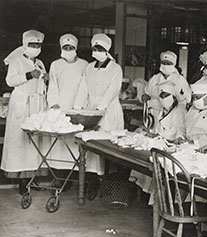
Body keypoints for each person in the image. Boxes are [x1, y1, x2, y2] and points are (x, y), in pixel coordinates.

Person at [1, 30, 48, 194]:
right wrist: (28, 75)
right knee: (20, 143)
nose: (35, 48)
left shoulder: (40, 63)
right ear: (25, 45)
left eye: (38, 45)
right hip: (21, 104)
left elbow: (41, 84)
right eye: (32, 45)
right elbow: (10, 80)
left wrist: (45, 79)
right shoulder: (16, 60)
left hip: (36, 105)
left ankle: (33, 180)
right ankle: (22, 182)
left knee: (34, 145)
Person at [74, 33, 124, 174]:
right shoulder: (89, 68)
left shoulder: (115, 68)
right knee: (92, 146)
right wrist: (78, 108)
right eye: (95, 49)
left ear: (107, 50)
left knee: (107, 144)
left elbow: (112, 90)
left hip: (109, 110)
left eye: (100, 49)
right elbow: (83, 88)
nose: (97, 52)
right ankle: (93, 177)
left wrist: (100, 108)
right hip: (91, 110)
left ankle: (107, 177)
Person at [47, 34, 88, 171]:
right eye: (65, 47)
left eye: (71, 47)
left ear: (76, 48)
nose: (68, 49)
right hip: (60, 108)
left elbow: (85, 87)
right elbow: (52, 85)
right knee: (60, 145)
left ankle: (75, 175)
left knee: (74, 144)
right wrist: (54, 104)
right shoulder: (56, 65)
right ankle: (61, 177)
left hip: (78, 107)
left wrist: (79, 106)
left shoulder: (84, 65)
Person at [141, 50, 191, 132]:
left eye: (168, 63)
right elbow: (146, 93)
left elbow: (187, 99)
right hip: (154, 114)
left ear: (174, 64)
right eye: (164, 62)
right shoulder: (154, 79)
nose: (166, 65)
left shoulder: (180, 80)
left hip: (172, 116)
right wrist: (144, 96)